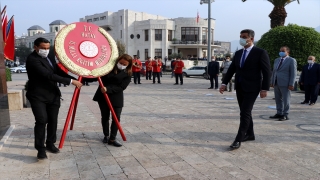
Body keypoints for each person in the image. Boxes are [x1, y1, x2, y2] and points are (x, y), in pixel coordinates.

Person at [26, 37, 83, 159]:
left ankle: (50, 143)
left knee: (53, 120)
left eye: (47, 48)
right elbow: (48, 75)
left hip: (53, 95)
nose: (46, 50)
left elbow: (57, 71)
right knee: (42, 120)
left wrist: (75, 77)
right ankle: (40, 149)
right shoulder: (32, 59)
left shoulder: (49, 56)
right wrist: (71, 81)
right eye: (43, 48)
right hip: (37, 96)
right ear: (35, 47)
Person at [219, 29, 271, 150]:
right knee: (244, 111)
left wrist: (264, 88)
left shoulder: (260, 52)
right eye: (240, 36)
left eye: (244, 37)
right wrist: (224, 83)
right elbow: (232, 69)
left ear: (251, 39)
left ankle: (238, 139)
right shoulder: (238, 53)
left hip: (253, 87)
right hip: (240, 86)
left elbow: (267, 71)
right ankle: (250, 134)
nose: (242, 39)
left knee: (245, 112)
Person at [93, 54, 132, 147]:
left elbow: (122, 87)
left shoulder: (128, 73)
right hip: (103, 96)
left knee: (116, 118)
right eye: (120, 62)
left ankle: (112, 138)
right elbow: (100, 77)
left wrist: (108, 89)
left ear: (128, 65)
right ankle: (106, 135)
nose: (121, 65)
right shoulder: (108, 67)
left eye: (124, 64)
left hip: (116, 97)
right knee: (105, 117)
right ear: (117, 61)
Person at [270, 46, 297, 121]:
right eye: (280, 51)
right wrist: (272, 81)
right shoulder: (277, 60)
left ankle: (285, 114)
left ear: (287, 52)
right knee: (278, 99)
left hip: (285, 83)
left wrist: (291, 84)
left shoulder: (291, 60)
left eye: (283, 51)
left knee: (286, 99)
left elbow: (293, 73)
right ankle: (279, 113)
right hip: (276, 82)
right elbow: (274, 71)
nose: (281, 52)